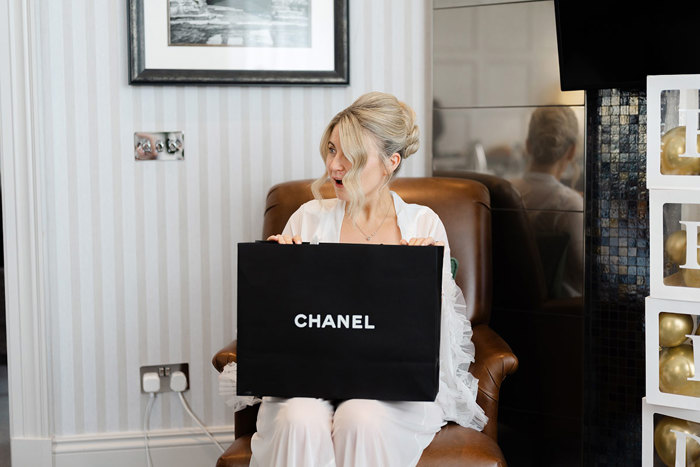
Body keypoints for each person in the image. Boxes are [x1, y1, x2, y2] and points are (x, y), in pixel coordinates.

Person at [238, 92, 485, 467]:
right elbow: (280, 325)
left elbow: (438, 333)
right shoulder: (307, 217)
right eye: (332, 149)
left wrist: (424, 274)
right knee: (297, 418)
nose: (335, 165)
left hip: (392, 388)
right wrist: (279, 268)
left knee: (361, 418)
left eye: (350, 155)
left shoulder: (422, 223)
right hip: (310, 378)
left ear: (391, 162)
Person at [510, 107, 583, 297]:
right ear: (572, 151)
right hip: (562, 314)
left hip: (509, 306)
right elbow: (584, 274)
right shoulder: (568, 204)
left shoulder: (503, 190)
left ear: (527, 145)